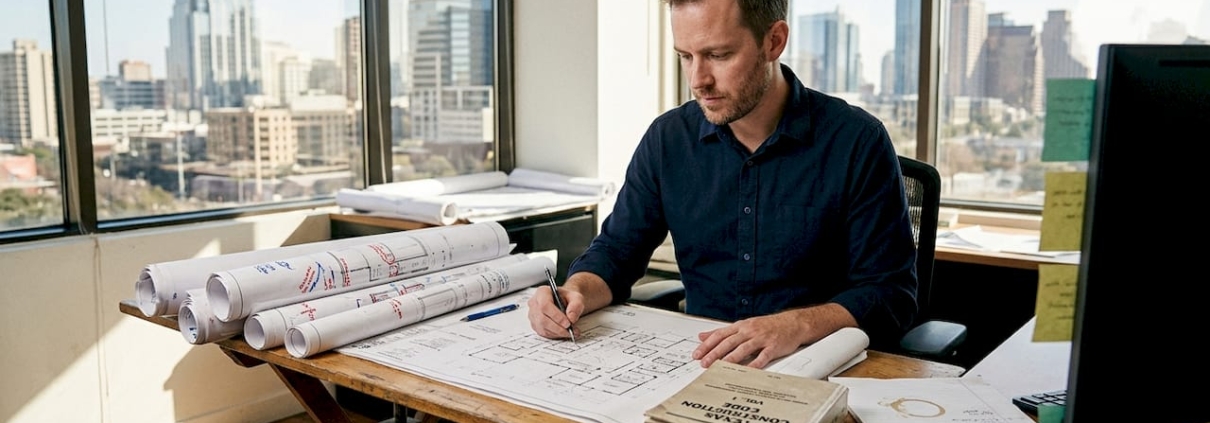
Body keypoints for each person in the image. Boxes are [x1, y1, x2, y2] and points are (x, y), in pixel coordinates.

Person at [527, 0, 918, 370]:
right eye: (685, 56)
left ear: (774, 41)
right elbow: (616, 253)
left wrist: (793, 326)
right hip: (698, 364)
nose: (698, 80)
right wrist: (575, 291)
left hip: (817, 367)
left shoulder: (856, 141)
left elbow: (890, 295)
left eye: (719, 55)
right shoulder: (668, 140)